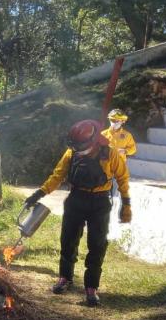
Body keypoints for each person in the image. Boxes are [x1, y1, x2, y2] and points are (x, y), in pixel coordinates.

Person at [23, 119, 131, 307]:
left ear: (93, 140)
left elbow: (122, 177)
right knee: (68, 241)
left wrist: (126, 203)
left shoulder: (110, 154)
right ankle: (65, 278)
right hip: (76, 199)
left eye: (80, 145)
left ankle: (91, 288)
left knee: (97, 245)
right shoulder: (71, 153)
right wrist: (38, 193)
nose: (77, 148)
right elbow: (57, 176)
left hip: (99, 202)